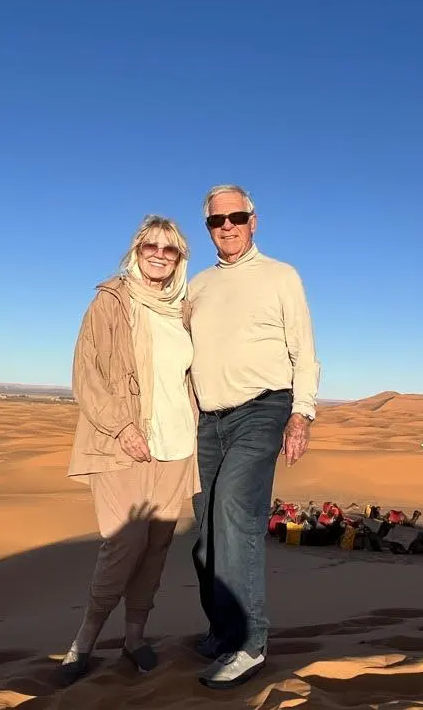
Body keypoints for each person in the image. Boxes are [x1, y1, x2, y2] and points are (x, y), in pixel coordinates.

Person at [188, 184, 321, 688]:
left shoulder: (280, 276)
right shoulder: (196, 286)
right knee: (203, 534)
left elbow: (304, 350)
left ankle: (249, 643)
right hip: (206, 421)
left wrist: (301, 414)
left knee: (233, 516)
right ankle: (222, 630)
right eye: (216, 221)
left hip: (264, 408)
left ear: (253, 220)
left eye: (236, 217)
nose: (227, 227)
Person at [58, 215, 200, 683]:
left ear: (180, 258)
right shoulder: (110, 302)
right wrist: (121, 428)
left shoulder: (185, 310)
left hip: (178, 445)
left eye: (170, 249)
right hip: (126, 445)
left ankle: (135, 637)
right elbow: (86, 374)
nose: (159, 254)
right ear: (136, 251)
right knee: (123, 544)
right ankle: (83, 642)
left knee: (157, 546)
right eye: (150, 247)